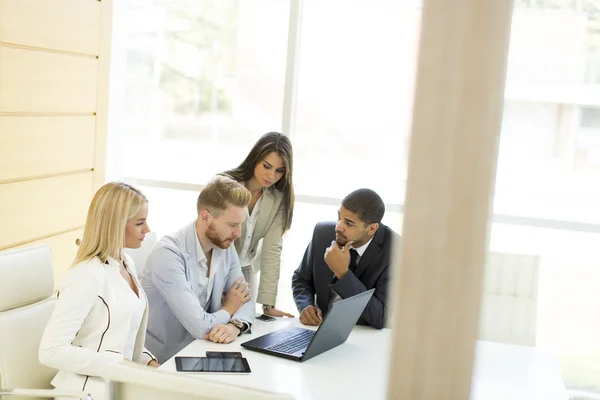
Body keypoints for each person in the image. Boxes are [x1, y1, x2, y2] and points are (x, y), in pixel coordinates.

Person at [39, 182, 158, 400]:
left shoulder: (126, 262)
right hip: (86, 394)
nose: (147, 230)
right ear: (115, 224)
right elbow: (50, 351)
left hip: (120, 385)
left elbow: (122, 332)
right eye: (140, 223)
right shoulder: (86, 275)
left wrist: (147, 360)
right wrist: (119, 365)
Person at [142, 176, 255, 363]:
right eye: (232, 225)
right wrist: (229, 308)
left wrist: (235, 326)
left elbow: (246, 300)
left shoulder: (225, 244)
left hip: (202, 351)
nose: (238, 233)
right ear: (205, 217)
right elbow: (200, 326)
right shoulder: (168, 254)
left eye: (240, 224)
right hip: (164, 360)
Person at [292, 189, 398, 329]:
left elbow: (381, 317)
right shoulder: (322, 233)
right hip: (320, 329)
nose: (338, 227)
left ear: (372, 228)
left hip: (365, 335)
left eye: (349, 223)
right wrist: (305, 305)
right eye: (339, 217)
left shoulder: (396, 252)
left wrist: (343, 273)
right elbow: (301, 278)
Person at [221, 132, 295, 317]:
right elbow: (212, 238)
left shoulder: (278, 198)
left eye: (279, 171)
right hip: (216, 268)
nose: (271, 175)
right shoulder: (224, 184)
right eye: (267, 166)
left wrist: (268, 305)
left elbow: (272, 249)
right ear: (255, 159)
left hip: (246, 272)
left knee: (244, 327)